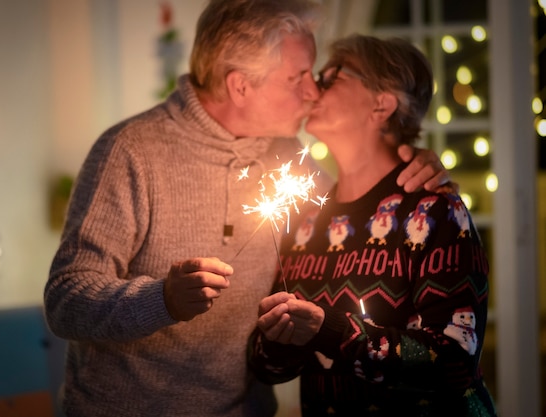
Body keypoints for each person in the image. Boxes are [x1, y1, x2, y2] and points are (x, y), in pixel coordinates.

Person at [43, 2, 451, 416]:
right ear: (240, 86)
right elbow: (65, 299)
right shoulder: (130, 152)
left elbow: (355, 208)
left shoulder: (285, 151)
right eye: (297, 77)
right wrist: (162, 299)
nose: (313, 91)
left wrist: (413, 164)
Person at [247, 34, 497, 417]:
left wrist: (328, 331)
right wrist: (280, 337)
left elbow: (453, 362)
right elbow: (267, 367)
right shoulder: (306, 222)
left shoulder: (435, 211)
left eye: (333, 76)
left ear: (382, 104)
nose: (313, 86)